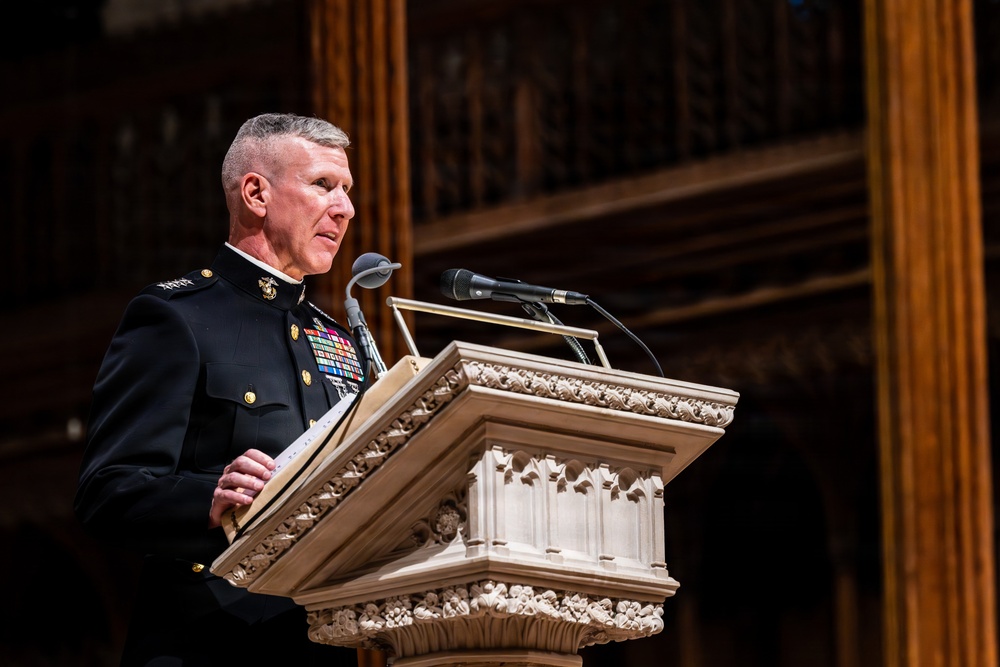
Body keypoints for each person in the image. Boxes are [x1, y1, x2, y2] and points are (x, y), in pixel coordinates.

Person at [75, 113, 366, 666]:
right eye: (323, 185)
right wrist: (208, 499)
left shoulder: (336, 339)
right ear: (256, 193)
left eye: (347, 191)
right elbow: (105, 492)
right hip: (205, 642)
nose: (345, 208)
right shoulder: (175, 317)